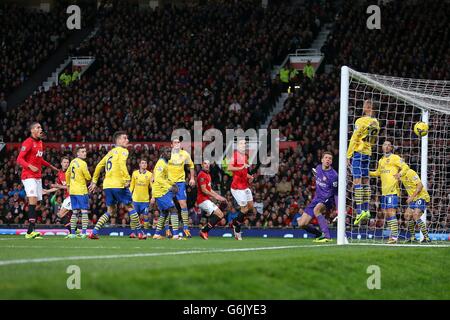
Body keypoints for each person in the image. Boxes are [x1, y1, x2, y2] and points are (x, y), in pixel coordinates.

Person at [88, 131, 146, 239]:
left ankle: (94, 232)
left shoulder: (110, 153)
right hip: (118, 184)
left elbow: (99, 166)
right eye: (125, 138)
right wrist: (127, 178)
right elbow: (121, 164)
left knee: (110, 211)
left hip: (107, 186)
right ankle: (140, 233)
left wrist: (94, 181)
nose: (127, 140)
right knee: (130, 207)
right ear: (118, 140)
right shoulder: (123, 151)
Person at [16, 122, 58, 239]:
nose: (41, 129)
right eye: (38, 127)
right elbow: (19, 159)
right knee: (33, 199)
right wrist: (29, 166)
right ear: (32, 130)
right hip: (28, 176)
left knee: (37, 203)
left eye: (41, 127)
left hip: (38, 176)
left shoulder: (40, 143)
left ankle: (32, 229)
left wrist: (52, 167)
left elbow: (40, 159)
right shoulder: (28, 142)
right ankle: (29, 232)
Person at [370, 140, 409, 244]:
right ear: (382, 147)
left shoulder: (395, 157)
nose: (386, 146)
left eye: (388, 145)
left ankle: (394, 237)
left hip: (392, 190)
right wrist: (367, 172)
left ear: (391, 148)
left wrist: (400, 174)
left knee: (391, 212)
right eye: (385, 145)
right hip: (384, 192)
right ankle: (393, 235)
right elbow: (378, 172)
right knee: (386, 214)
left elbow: (405, 166)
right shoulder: (381, 160)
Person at [347, 99, 380, 225]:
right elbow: (373, 141)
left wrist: (348, 155)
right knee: (366, 181)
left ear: (368, 107)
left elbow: (354, 138)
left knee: (357, 181)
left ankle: (360, 211)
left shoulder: (360, 121)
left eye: (365, 105)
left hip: (358, 152)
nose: (363, 107)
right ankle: (366, 210)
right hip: (368, 153)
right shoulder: (376, 123)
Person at [296, 152, 338, 242]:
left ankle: (327, 236)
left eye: (330, 158)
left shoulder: (334, 175)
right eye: (326, 158)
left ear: (331, 162)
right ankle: (319, 234)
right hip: (316, 198)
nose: (328, 160)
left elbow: (336, 193)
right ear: (322, 160)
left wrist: (338, 209)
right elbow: (317, 176)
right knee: (301, 224)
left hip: (328, 199)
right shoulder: (318, 168)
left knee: (316, 210)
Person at [168, 137, 195, 238]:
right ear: (171, 145)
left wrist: (192, 178)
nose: (177, 144)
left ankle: (186, 229)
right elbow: (160, 166)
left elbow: (191, 166)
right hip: (168, 183)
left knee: (183, 204)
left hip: (180, 183)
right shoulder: (167, 154)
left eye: (178, 142)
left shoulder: (185, 154)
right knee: (167, 206)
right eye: (175, 142)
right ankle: (167, 230)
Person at [228, 138, 255, 240]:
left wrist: (250, 177)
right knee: (244, 209)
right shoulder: (235, 155)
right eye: (242, 144)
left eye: (245, 144)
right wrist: (239, 168)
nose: (244, 145)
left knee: (250, 206)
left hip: (245, 186)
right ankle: (237, 230)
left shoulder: (245, 156)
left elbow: (244, 171)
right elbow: (229, 167)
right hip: (237, 188)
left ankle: (235, 222)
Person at [151, 147, 180, 240]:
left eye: (170, 152)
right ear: (162, 153)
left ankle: (157, 234)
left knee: (165, 212)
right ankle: (175, 235)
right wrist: (169, 187)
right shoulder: (161, 163)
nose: (169, 153)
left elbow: (166, 178)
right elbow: (158, 178)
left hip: (162, 190)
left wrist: (173, 184)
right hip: (160, 191)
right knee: (173, 210)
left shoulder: (165, 163)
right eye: (167, 152)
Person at [197, 160, 227, 240]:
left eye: (208, 164)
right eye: (205, 163)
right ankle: (204, 230)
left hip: (206, 200)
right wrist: (215, 197)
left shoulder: (208, 175)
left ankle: (205, 229)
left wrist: (219, 197)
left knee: (220, 214)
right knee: (219, 215)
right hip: (202, 200)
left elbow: (210, 190)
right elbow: (204, 190)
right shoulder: (202, 175)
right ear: (202, 165)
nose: (207, 165)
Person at [66, 147, 91, 238]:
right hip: (81, 190)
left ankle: (72, 233)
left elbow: (67, 174)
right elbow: (88, 177)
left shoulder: (72, 162)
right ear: (78, 153)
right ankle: (83, 233)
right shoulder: (83, 163)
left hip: (72, 191)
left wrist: (68, 185)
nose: (85, 153)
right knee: (84, 211)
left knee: (75, 212)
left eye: (85, 151)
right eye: (82, 152)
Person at [400, 167, 431, 243]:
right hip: (413, 199)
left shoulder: (410, 172)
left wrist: (411, 197)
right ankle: (413, 237)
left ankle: (427, 238)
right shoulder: (400, 176)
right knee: (407, 215)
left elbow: (420, 186)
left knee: (416, 215)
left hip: (421, 196)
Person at [129, 158, 152, 238]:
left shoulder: (149, 174)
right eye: (142, 163)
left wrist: (153, 197)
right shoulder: (135, 173)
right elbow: (132, 185)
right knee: (133, 217)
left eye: (145, 163)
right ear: (139, 165)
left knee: (146, 216)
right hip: (135, 199)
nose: (144, 164)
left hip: (145, 200)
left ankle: (145, 233)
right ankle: (133, 233)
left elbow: (152, 187)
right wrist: (128, 196)